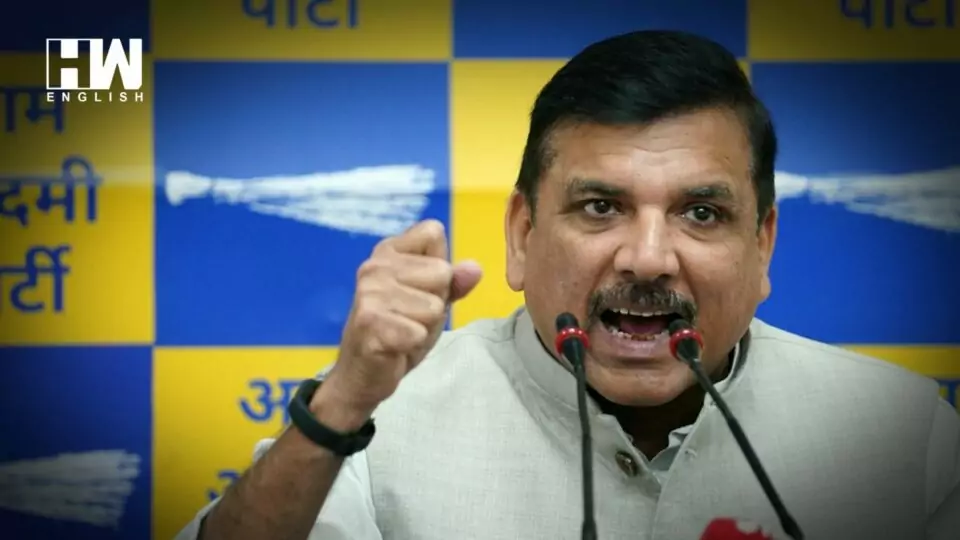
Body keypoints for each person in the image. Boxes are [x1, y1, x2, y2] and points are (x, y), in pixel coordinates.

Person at [176, 30, 960, 540]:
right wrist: (343, 403)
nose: (648, 259)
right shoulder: (381, 426)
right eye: (600, 207)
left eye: (701, 213)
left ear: (763, 246)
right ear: (522, 235)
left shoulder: (901, 434)